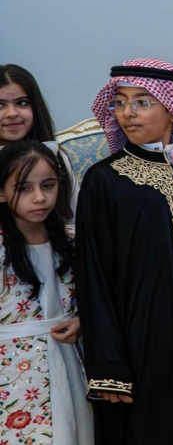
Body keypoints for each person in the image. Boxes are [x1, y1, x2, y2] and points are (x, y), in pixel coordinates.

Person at [75, 58, 173, 443]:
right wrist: (109, 362)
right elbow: (94, 276)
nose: (127, 113)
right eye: (120, 102)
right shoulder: (105, 180)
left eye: (142, 102)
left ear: (172, 109)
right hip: (139, 336)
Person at [0, 141, 92, 443]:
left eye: (48, 185)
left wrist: (81, 320)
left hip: (69, 358)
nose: (39, 198)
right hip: (12, 370)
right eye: (24, 188)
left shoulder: (73, 241)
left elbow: (95, 298)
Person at [0, 64, 80, 216]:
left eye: (22, 103)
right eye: (0, 105)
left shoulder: (56, 155)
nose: (11, 113)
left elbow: (75, 216)